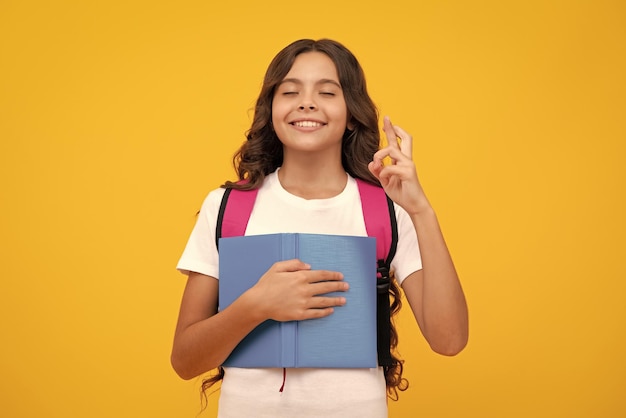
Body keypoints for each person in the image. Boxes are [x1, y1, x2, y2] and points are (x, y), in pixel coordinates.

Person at [171, 38, 468, 418]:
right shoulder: (227, 207)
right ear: (272, 108)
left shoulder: (389, 209)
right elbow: (184, 360)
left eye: (327, 92)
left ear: (350, 112)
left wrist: (421, 210)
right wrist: (256, 305)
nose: (307, 102)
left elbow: (450, 340)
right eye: (290, 91)